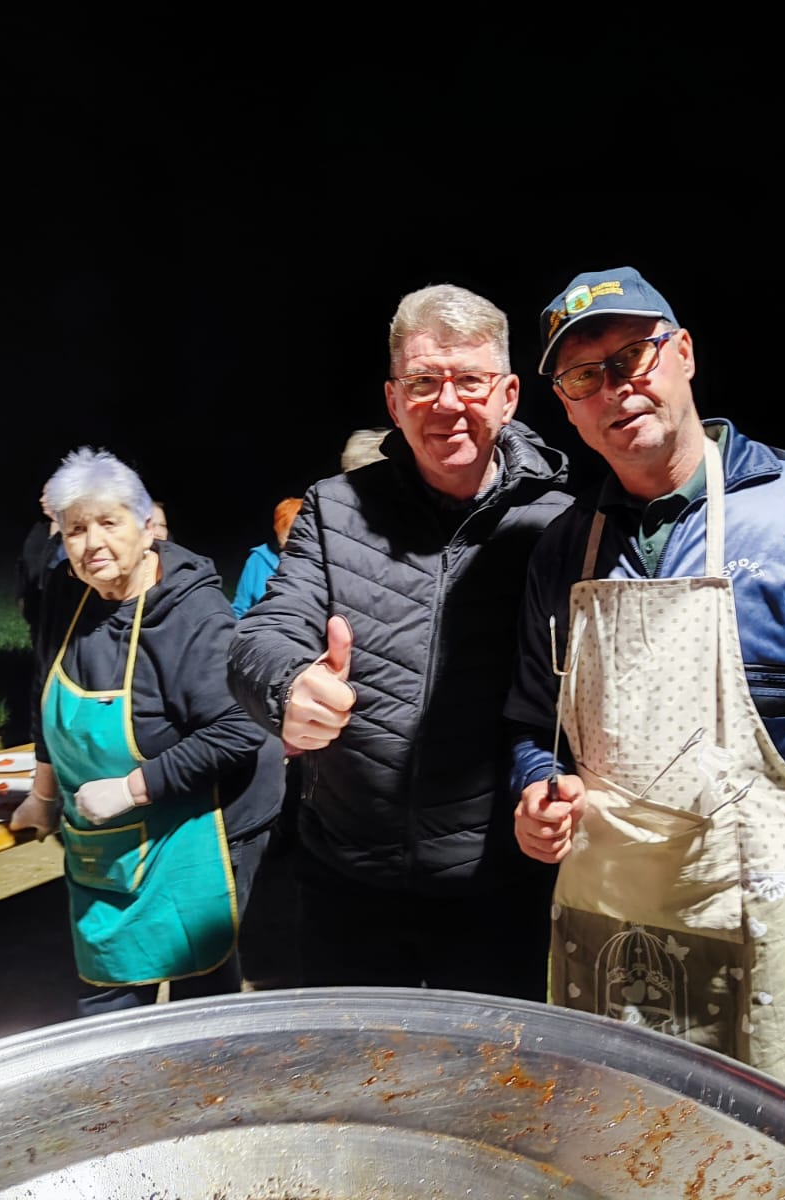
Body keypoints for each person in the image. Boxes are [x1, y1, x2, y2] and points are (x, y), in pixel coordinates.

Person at [508, 267, 785, 1118]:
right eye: (585, 376)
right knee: (612, 1138)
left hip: (773, 916)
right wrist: (534, 788)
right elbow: (533, 722)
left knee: (768, 1153)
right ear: (566, 403)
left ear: (685, 354)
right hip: (612, 922)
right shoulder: (566, 547)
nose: (617, 388)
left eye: (634, 355)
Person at [227, 283, 572, 1000]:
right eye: (423, 382)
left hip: (497, 886)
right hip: (348, 880)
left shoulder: (563, 522)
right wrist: (289, 685)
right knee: (355, 1085)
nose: (447, 403)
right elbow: (264, 630)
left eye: (470, 381)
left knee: (488, 1091)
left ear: (509, 394)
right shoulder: (336, 507)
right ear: (393, 400)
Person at [8, 447, 281, 1014]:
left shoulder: (193, 614)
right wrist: (42, 794)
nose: (92, 543)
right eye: (76, 528)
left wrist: (131, 789)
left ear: (145, 526)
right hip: (106, 834)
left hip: (204, 823)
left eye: (109, 522)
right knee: (108, 983)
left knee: (196, 985)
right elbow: (47, 689)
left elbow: (239, 730)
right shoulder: (66, 591)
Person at [230, 497, 301, 619]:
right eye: (285, 532)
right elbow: (240, 608)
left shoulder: (313, 562)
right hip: (258, 632)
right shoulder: (258, 559)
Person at [14, 486, 64, 636]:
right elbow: (23, 566)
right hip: (36, 610)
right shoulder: (39, 530)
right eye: (42, 494)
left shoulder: (74, 536)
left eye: (48, 495)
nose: (42, 499)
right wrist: (21, 597)